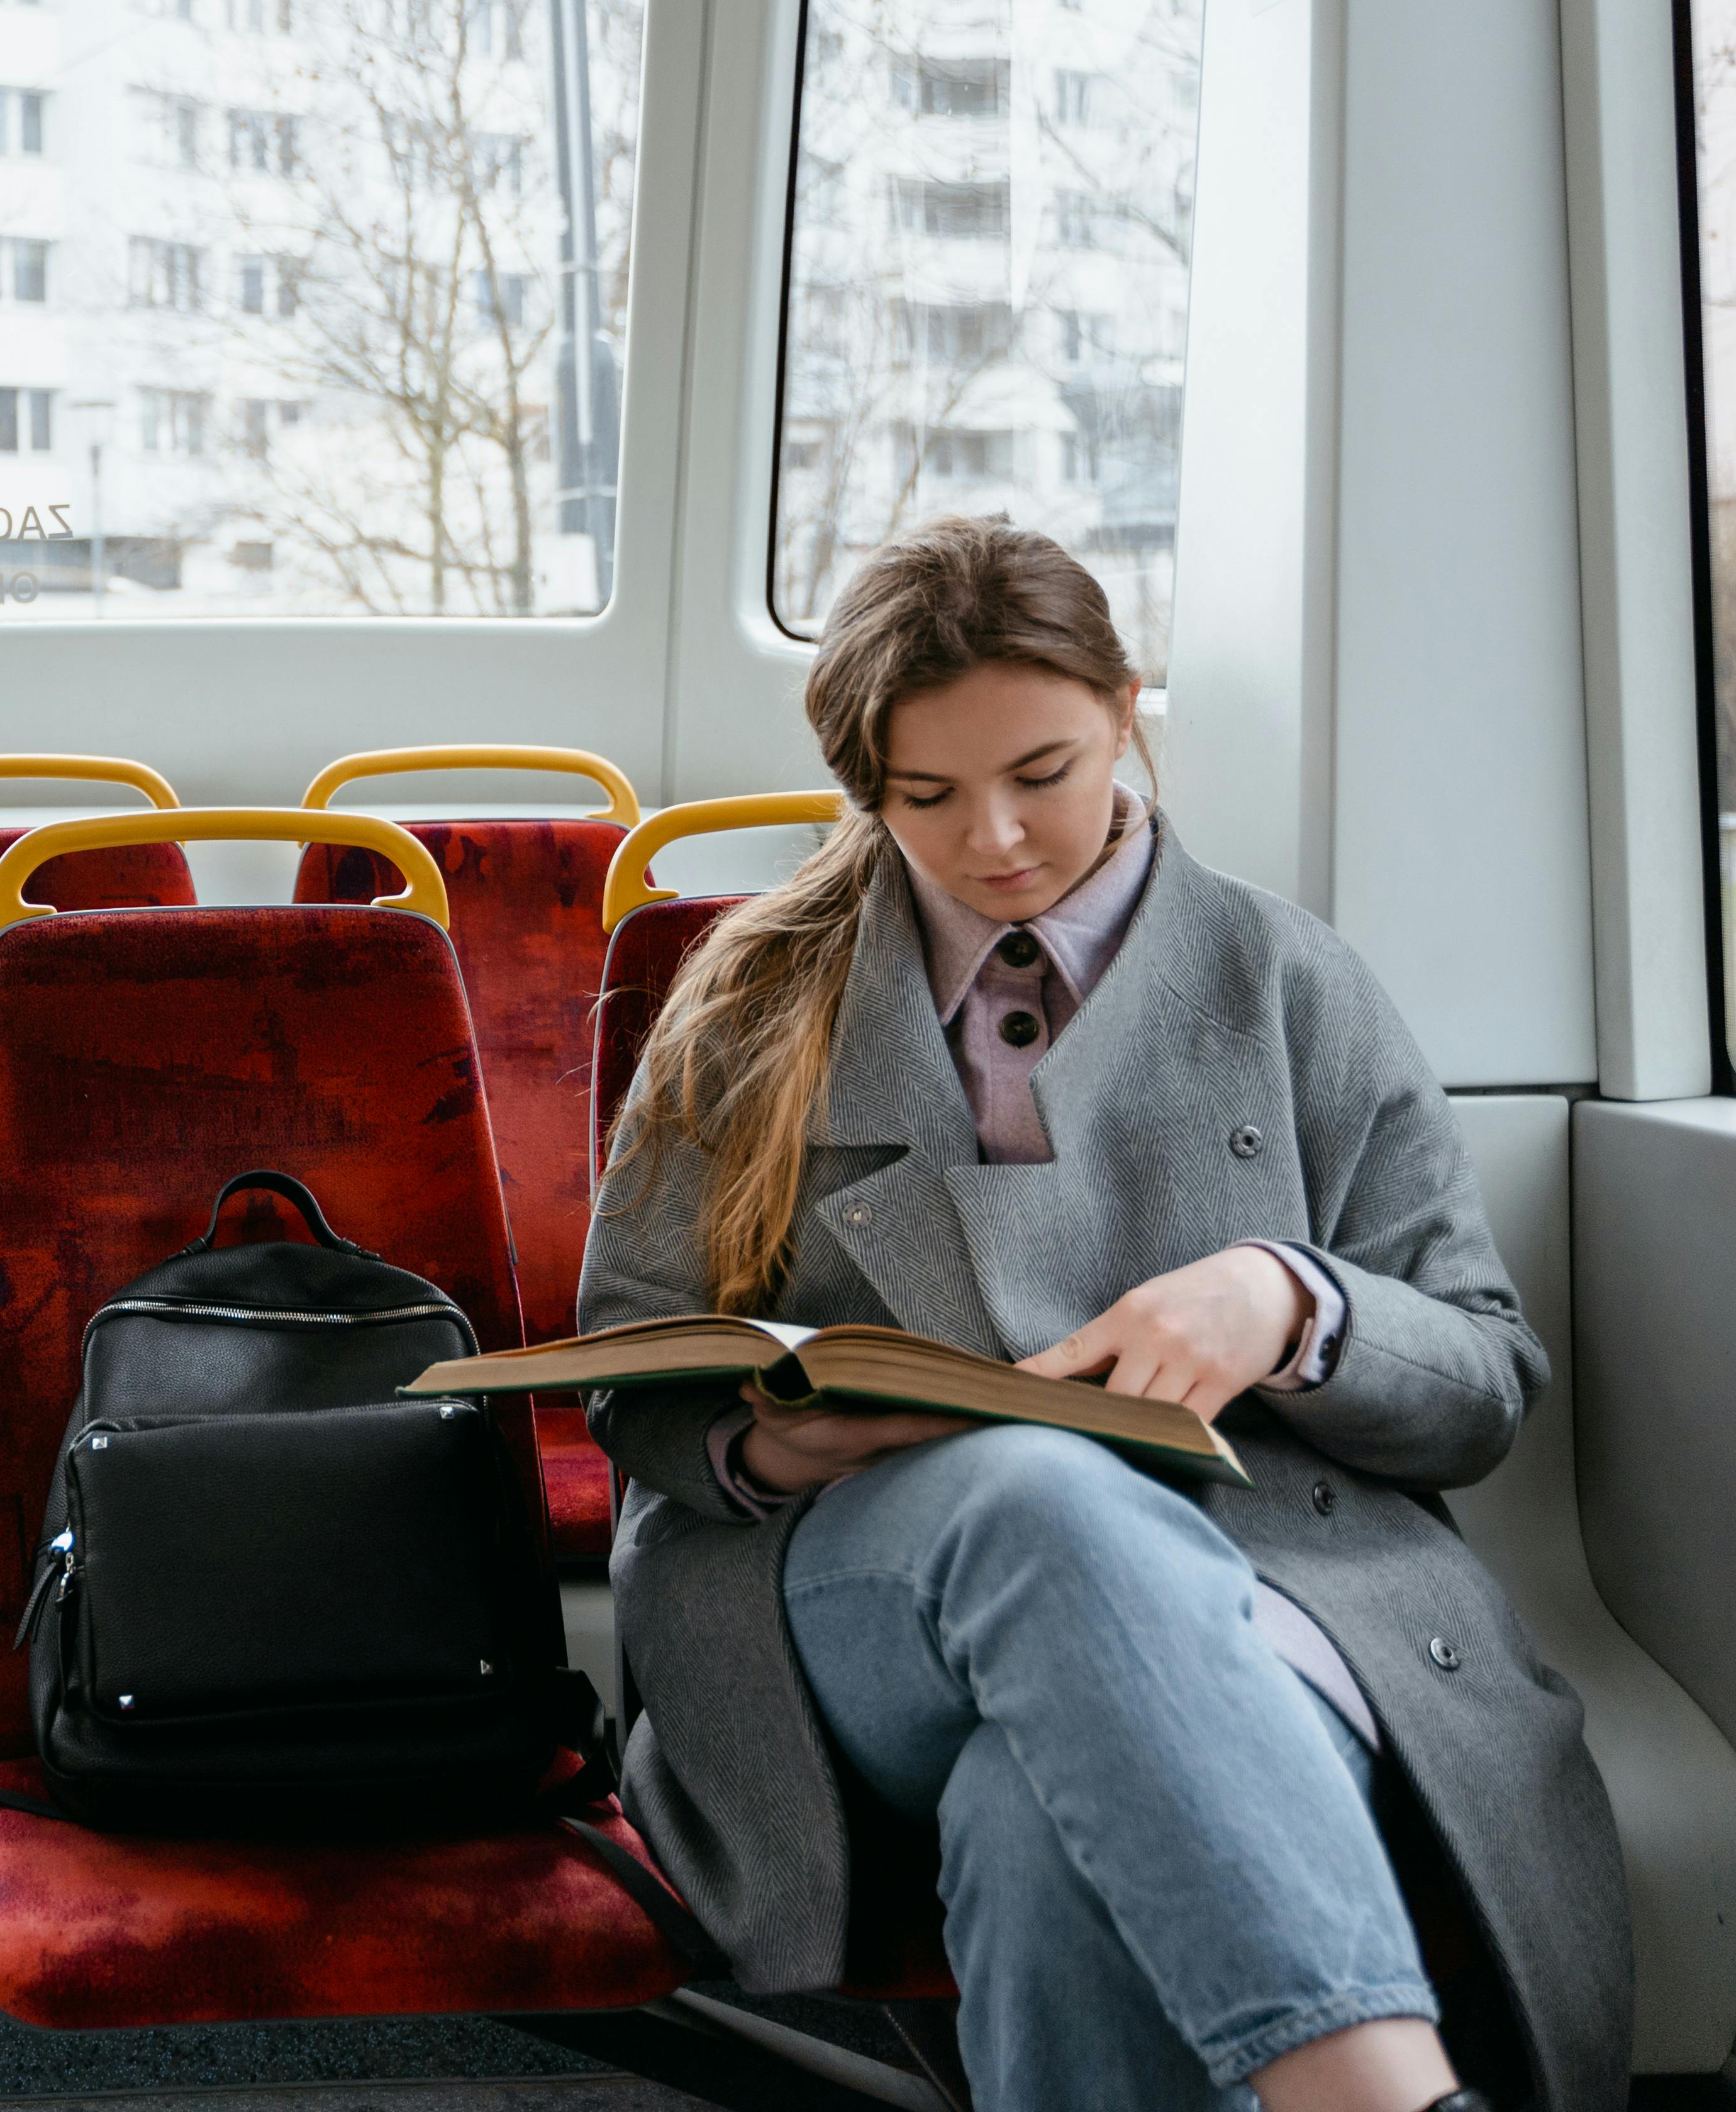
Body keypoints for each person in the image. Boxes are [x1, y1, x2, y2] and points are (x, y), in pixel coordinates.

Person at [581, 517, 1628, 2112]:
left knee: (1037, 1818)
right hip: (854, 1611)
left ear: (1128, 711)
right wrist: (791, 1444)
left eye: (1042, 771)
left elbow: (1482, 1382)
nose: (993, 838)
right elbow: (634, 1375)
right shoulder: (747, 1000)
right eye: (921, 797)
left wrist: (1292, 1302)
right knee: (1030, 1487)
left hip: (1269, 1585)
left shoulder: (1291, 979)